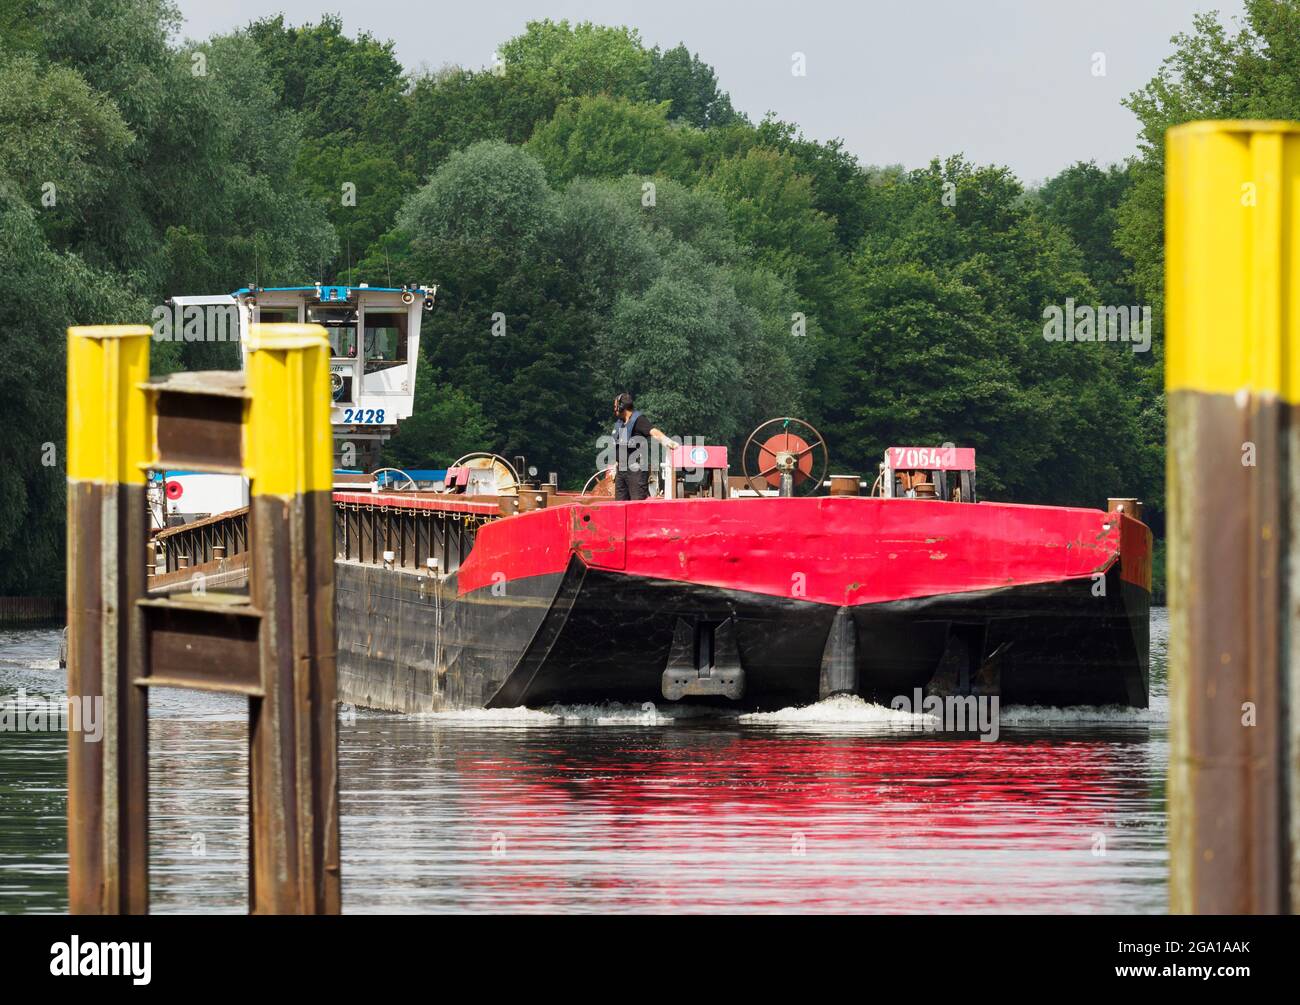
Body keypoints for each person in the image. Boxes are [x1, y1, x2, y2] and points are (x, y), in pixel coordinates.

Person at [610, 392, 676, 500]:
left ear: (622, 407)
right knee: (620, 505)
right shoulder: (621, 423)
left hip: (636, 470)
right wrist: (615, 465)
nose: (614, 409)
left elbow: (654, 432)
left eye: (616, 406)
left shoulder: (638, 420)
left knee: (637, 503)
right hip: (621, 470)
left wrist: (668, 442)